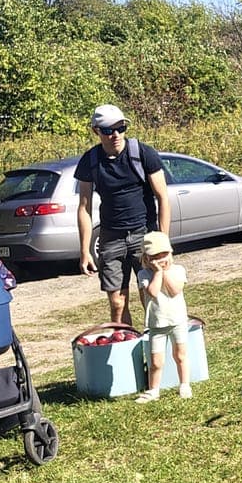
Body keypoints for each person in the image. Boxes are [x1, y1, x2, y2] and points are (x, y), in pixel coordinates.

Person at [76, 103, 171, 327]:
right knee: (118, 303)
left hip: (144, 235)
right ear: (96, 131)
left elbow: (163, 197)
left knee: (151, 296)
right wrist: (84, 251)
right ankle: (127, 350)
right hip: (111, 239)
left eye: (121, 127)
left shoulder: (143, 153)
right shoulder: (90, 161)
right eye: (108, 130)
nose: (115, 134)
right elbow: (84, 207)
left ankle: (155, 350)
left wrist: (163, 241)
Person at [135, 231, 192, 402]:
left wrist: (165, 272)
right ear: (147, 258)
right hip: (156, 324)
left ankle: (184, 384)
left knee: (180, 355)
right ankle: (154, 390)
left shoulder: (178, 270)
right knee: (156, 361)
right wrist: (158, 273)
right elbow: (152, 292)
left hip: (178, 321)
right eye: (156, 256)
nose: (161, 259)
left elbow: (175, 291)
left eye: (164, 255)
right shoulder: (144, 275)